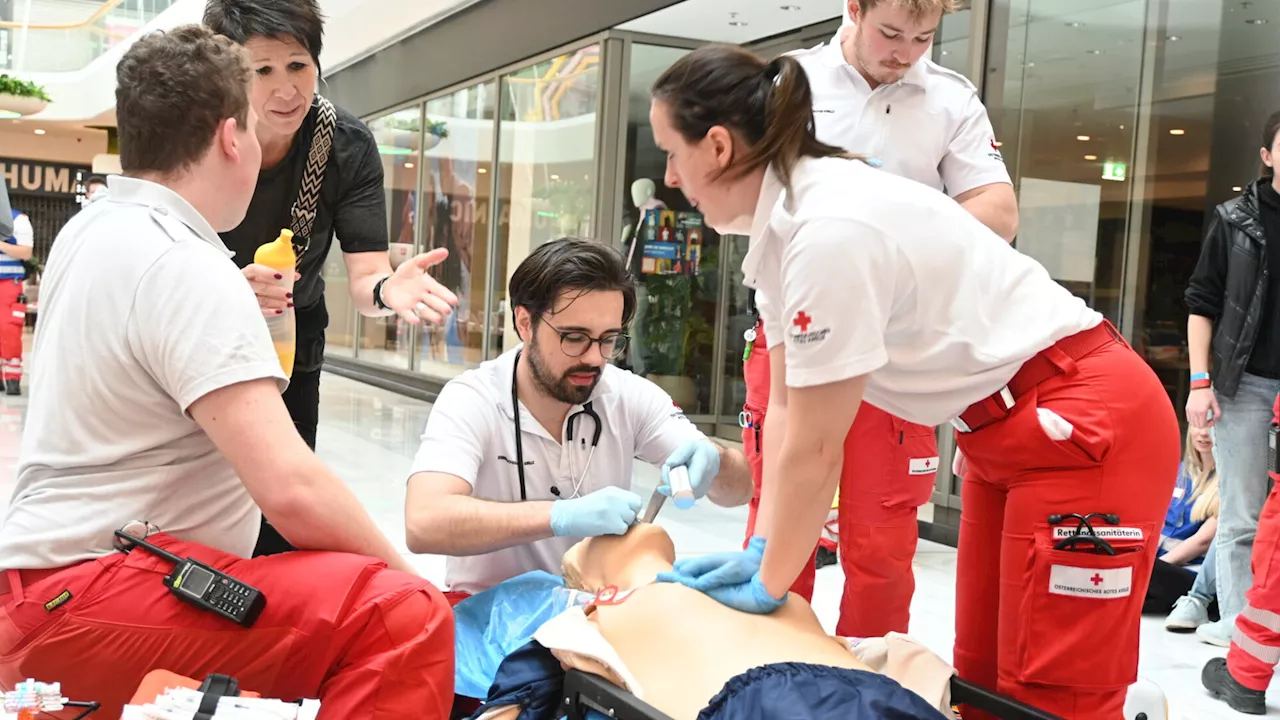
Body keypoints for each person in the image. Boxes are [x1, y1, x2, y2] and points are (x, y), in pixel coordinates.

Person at [647, 45, 1179, 719]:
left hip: (1084, 420)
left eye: (672, 152)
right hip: (1001, 429)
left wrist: (773, 579)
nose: (668, 177)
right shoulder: (781, 233)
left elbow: (816, 448)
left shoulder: (828, 228)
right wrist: (764, 547)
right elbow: (783, 411)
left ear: (718, 146)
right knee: (984, 683)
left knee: (1050, 694)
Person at [0, 26, 453, 718]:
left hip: (42, 584)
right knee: (403, 615)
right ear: (230, 137)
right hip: (95, 592)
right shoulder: (189, 265)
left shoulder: (93, 229)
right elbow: (291, 489)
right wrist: (417, 578)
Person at [737, 0, 1022, 637]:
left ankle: (867, 687)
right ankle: (769, 672)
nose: (905, 52)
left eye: (923, 38)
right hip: (796, 329)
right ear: (853, 9)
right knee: (780, 517)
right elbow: (748, 196)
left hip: (897, 355)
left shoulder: (950, 99)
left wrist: (885, 236)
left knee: (883, 539)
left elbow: (999, 214)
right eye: (891, 33)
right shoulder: (790, 82)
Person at [203, 0, 459, 557]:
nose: (285, 90)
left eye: (298, 66)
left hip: (293, 343)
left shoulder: (344, 143)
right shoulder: (198, 132)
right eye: (261, 71)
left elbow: (368, 275)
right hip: (199, 329)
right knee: (199, 487)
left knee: (282, 501)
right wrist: (223, 286)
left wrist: (390, 290)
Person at [405, 237, 754, 603]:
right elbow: (424, 521)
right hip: (493, 622)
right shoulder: (473, 398)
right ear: (525, 322)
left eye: (608, 340)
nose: (594, 358)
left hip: (597, 614)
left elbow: (740, 490)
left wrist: (715, 460)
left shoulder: (627, 394)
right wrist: (561, 516)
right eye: (574, 338)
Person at [471, 523, 948, 720]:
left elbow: (514, 701)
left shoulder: (589, 625)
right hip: (880, 701)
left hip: (772, 702)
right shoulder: (785, 605)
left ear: (595, 586)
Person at [1184, 108, 1280, 646]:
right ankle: (1241, 632)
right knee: (1242, 513)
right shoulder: (1234, 218)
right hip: (1243, 386)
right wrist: (1200, 383)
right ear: (1267, 157)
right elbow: (1202, 304)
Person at [1151, 427, 1219, 622]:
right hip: (1160, 568)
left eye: (1212, 427)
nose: (1204, 433)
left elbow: (1203, 541)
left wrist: (1151, 569)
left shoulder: (1229, 483)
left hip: (1190, 573)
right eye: (1199, 426)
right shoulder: (1180, 471)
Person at [0, 203, 31, 396]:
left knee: (9, 330)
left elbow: (26, 253)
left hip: (9, 284)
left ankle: (12, 378)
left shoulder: (18, 220)